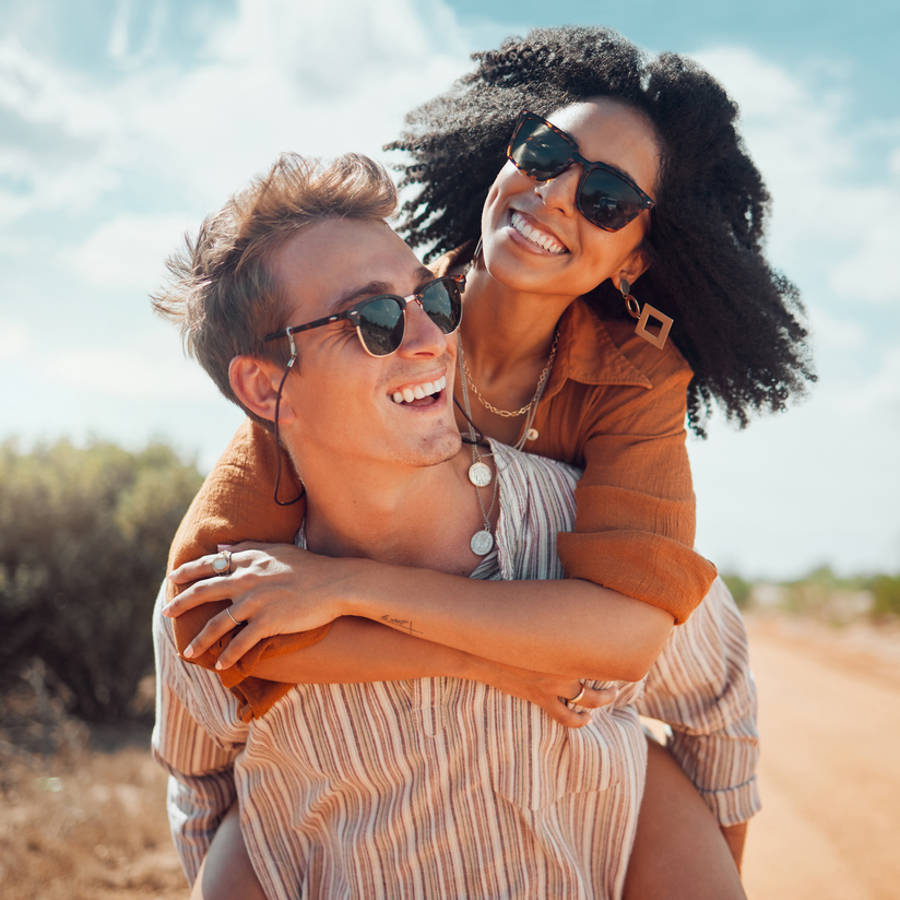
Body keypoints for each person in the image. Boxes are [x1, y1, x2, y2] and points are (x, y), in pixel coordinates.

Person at [161, 24, 810, 892]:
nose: (553, 196)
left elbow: (630, 636)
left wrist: (350, 588)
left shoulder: (633, 380)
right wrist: (493, 661)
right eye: (544, 153)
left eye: (607, 200)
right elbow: (221, 617)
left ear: (635, 257)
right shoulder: (381, 322)